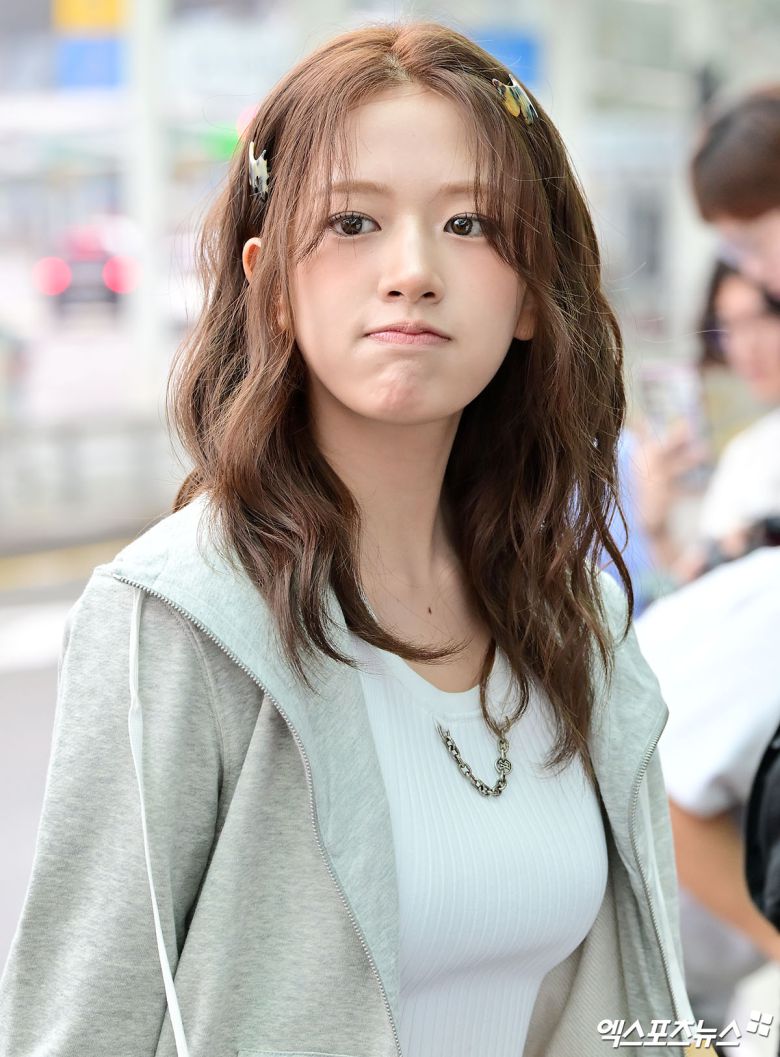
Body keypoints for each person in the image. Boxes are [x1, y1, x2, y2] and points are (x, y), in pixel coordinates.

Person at [0, 21, 695, 1057]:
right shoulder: (178, 619)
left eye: (469, 223)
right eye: (353, 222)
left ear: (529, 297)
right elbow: (78, 1027)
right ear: (271, 282)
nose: (412, 270)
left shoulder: (578, 621)